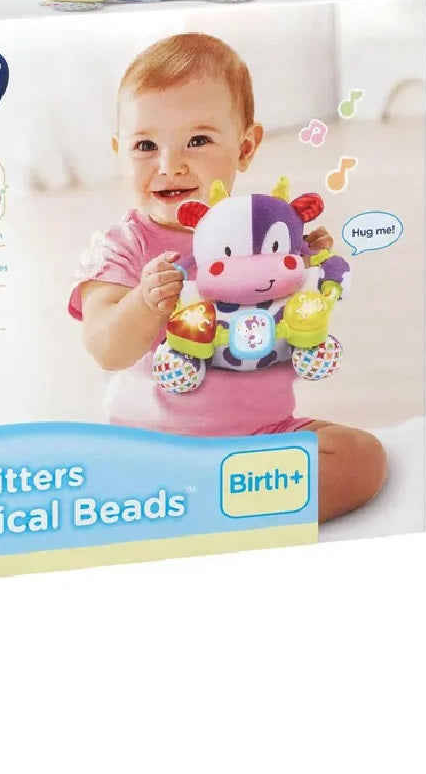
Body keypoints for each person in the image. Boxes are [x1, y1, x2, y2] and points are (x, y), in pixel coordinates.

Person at [69, 34, 385, 521]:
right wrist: (145, 301)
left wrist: (308, 269)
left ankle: (214, 508)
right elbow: (105, 347)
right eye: (145, 145)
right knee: (92, 474)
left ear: (245, 146)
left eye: (198, 141)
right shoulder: (123, 245)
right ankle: (206, 504)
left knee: (360, 458)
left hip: (261, 439)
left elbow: (296, 317)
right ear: (119, 152)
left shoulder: (263, 231)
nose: (169, 165)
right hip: (152, 446)